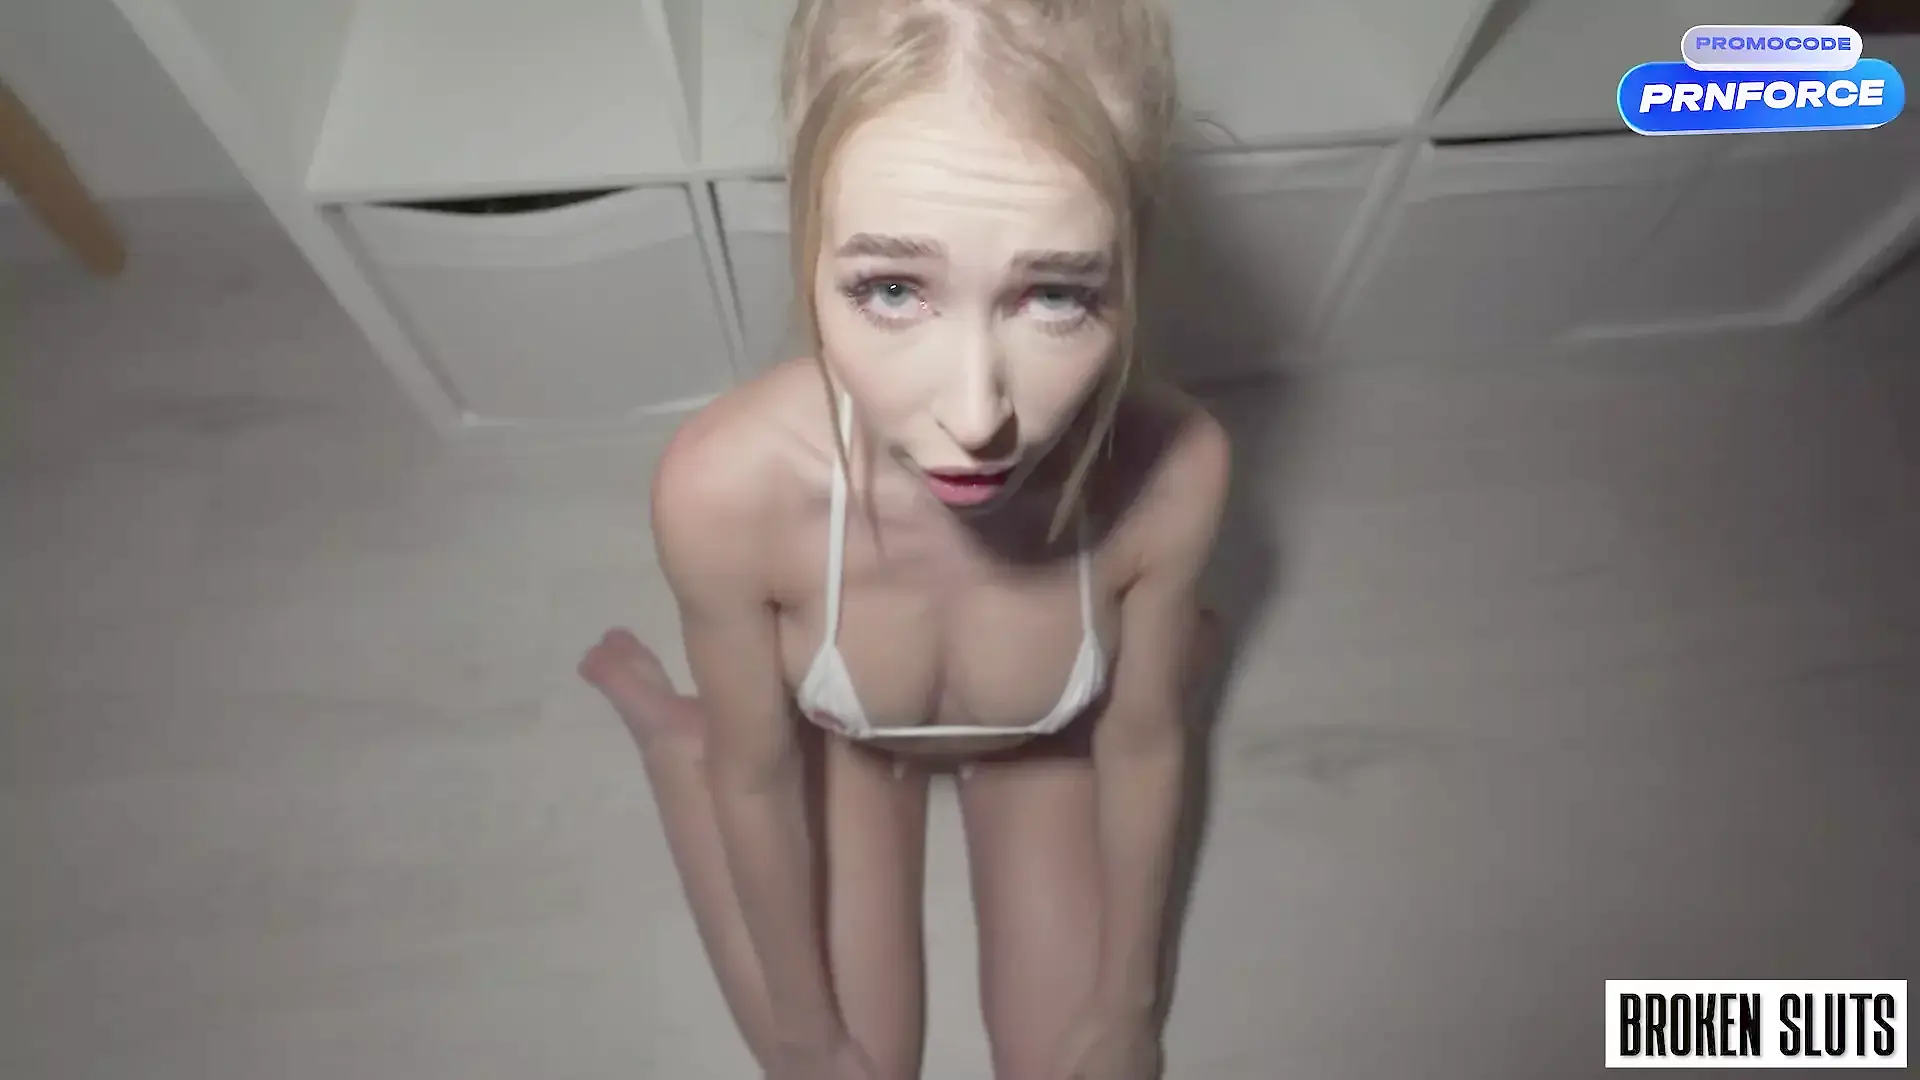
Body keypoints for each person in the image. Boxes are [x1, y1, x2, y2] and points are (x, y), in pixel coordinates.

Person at [580, 2, 1230, 1077]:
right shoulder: (721, 490)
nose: (976, 418)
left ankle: (1165, 653)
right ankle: (670, 731)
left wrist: (1132, 1006)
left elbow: (1146, 744)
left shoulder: (1177, 469)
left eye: (1056, 295)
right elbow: (757, 778)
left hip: (1036, 748)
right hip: (845, 750)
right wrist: (802, 1032)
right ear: (808, 236)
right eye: (892, 289)